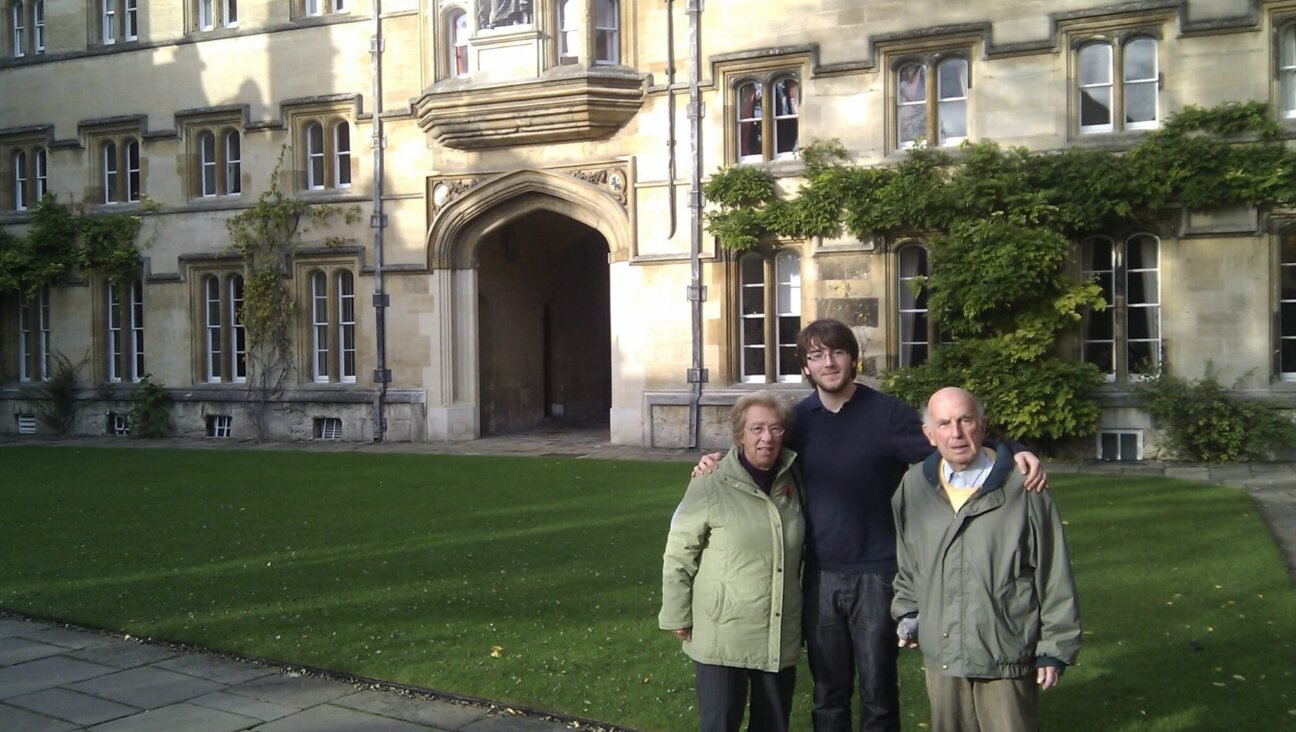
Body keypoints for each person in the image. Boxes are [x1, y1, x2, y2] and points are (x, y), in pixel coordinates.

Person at [693, 319, 1045, 731]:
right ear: (805, 366)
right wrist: (716, 461)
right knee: (829, 693)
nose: (828, 363)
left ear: (852, 359)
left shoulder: (887, 414)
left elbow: (952, 443)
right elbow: (758, 450)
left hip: (879, 575)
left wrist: (1014, 450)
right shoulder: (797, 422)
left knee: (879, 693)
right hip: (821, 575)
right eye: (817, 355)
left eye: (837, 352)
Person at [892, 387, 1081, 731]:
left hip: (1005, 651)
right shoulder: (913, 487)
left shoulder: (1024, 486)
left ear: (982, 425)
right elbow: (908, 560)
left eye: (965, 420)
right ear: (929, 435)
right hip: (943, 655)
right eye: (945, 423)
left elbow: (1054, 571)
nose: (956, 433)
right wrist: (908, 611)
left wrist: (1055, 645)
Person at [661, 391, 806, 732]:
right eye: (756, 429)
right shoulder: (710, 483)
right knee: (720, 724)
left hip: (777, 629)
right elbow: (678, 554)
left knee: (772, 725)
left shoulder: (796, 480)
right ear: (739, 434)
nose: (766, 438)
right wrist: (677, 615)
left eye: (775, 429)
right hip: (721, 633)